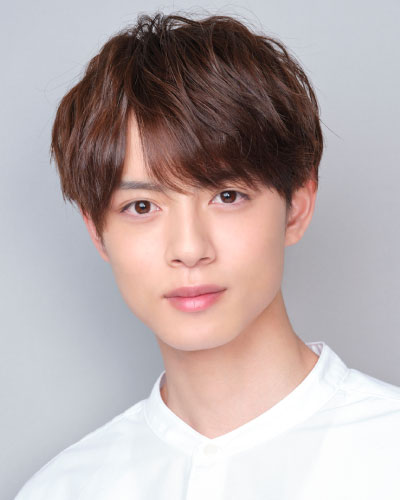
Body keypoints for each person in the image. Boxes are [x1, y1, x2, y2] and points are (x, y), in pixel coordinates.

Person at [15, 11, 400, 500]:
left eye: (227, 196)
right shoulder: (63, 490)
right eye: (141, 206)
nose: (189, 249)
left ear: (296, 209)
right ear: (97, 232)